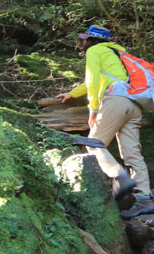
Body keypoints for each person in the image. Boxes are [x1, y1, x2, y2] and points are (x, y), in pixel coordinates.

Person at [57, 25, 154, 219]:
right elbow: (99, 79)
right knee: (132, 152)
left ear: (91, 40)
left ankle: (119, 175)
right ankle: (144, 198)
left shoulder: (94, 51)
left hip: (116, 100)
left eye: (85, 39)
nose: (82, 42)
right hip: (134, 104)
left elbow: (92, 80)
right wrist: (72, 93)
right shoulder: (118, 51)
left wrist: (93, 110)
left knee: (93, 143)